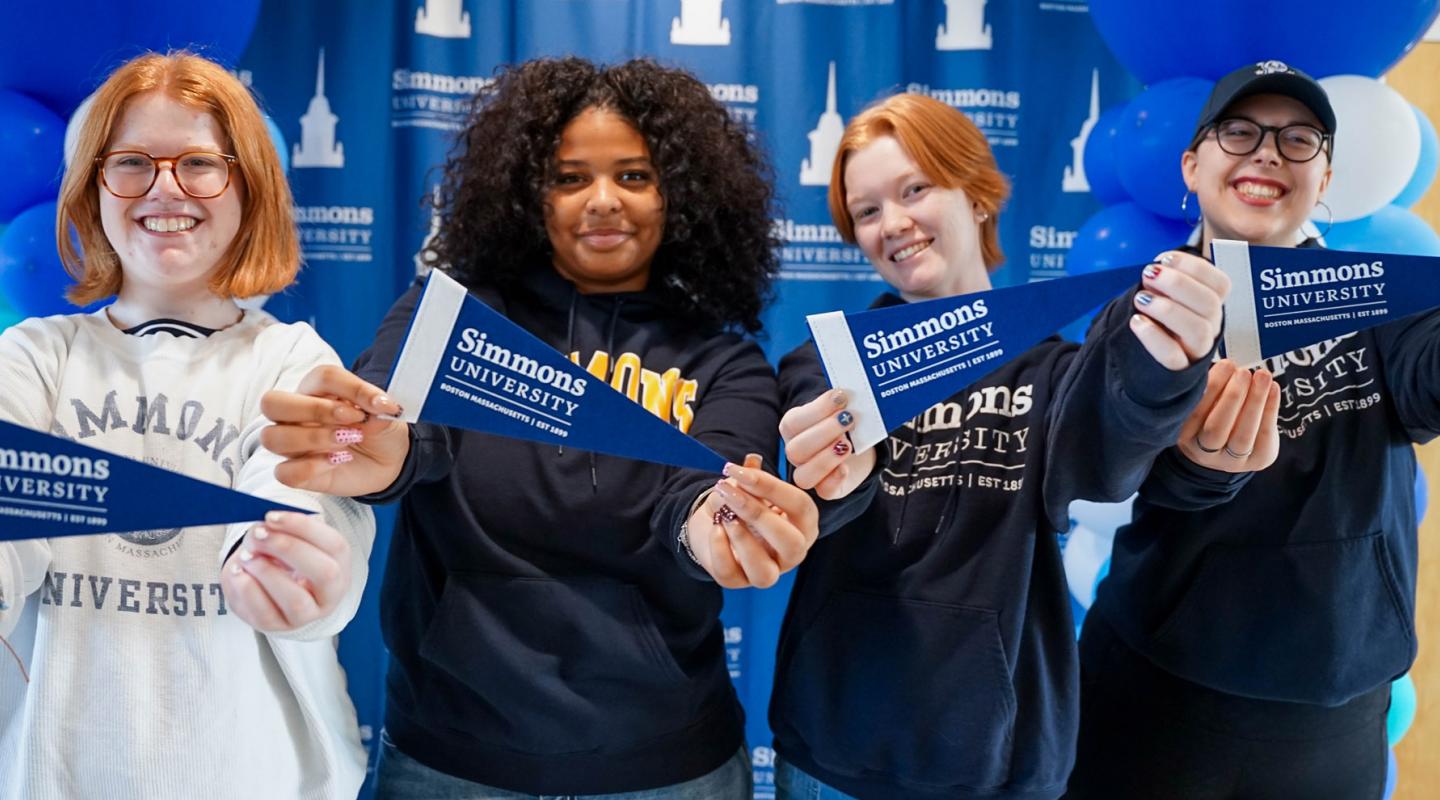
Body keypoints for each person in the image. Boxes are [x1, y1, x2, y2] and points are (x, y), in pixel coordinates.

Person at [259, 57, 819, 798]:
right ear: (529, 194)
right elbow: (401, 433)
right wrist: (374, 453)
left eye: (635, 176)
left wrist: (725, 529)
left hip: (669, 769)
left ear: (680, 194)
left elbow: (700, 496)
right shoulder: (453, 317)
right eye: (569, 177)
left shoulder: (725, 363)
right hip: (449, 763)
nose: (602, 201)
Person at [766, 92, 1250, 800]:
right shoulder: (827, 363)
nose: (892, 224)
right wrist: (830, 476)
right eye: (866, 212)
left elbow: (1109, 448)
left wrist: (1165, 355)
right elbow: (814, 500)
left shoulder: (1053, 372)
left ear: (978, 196)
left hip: (994, 767)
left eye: (915, 190)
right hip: (831, 758)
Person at [0, 52, 373, 799]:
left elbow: (310, 512)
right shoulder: (33, 359)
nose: (164, 188)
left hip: (251, 775)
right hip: (57, 773)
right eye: (132, 162)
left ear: (248, 188)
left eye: (199, 163)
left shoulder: (294, 359)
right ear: (92, 189)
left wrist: (301, 578)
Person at [1064, 61, 1433, 799]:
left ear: (1324, 181)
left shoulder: (1380, 298)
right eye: (1240, 132)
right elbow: (1100, 464)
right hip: (1158, 694)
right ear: (1192, 167)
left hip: (1335, 712)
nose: (1268, 151)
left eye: (1299, 140)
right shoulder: (1140, 313)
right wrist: (1198, 468)